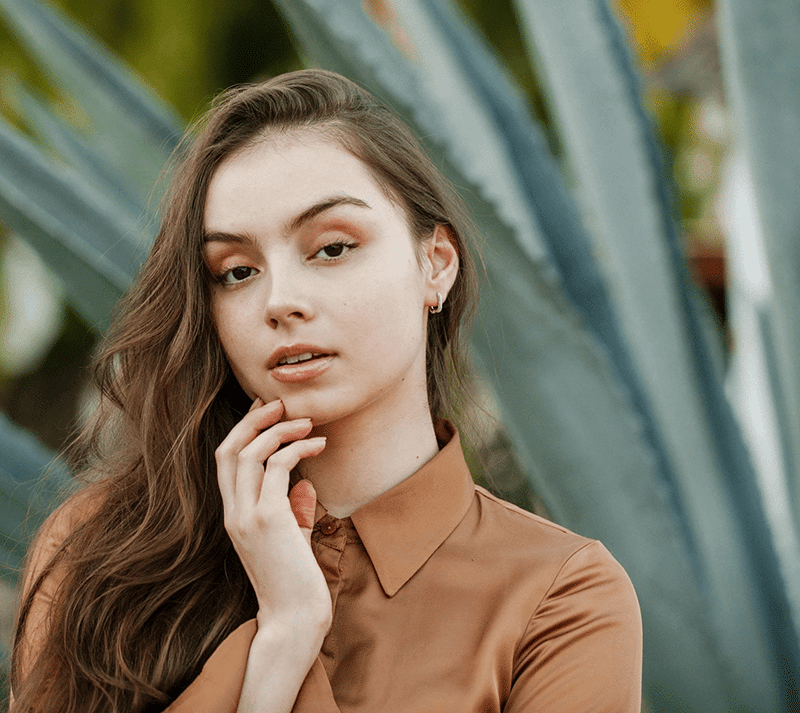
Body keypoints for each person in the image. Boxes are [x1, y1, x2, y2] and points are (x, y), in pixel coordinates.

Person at [10, 69, 642, 713]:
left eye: (333, 248)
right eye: (237, 271)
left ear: (436, 265)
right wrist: (284, 636)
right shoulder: (100, 553)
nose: (279, 301)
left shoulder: (559, 600)